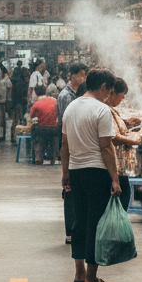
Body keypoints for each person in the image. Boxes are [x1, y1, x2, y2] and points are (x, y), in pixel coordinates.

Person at [61, 66, 122, 282]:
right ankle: (91, 278)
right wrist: (114, 179)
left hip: (76, 171)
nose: (109, 95)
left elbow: (65, 145)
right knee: (95, 223)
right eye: (110, 90)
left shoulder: (71, 107)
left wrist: (65, 173)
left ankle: (79, 273)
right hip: (97, 172)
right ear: (104, 87)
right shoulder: (101, 110)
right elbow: (106, 147)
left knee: (79, 221)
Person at [56, 62, 87, 242]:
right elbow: (69, 125)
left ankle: (74, 230)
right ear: (73, 75)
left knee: (73, 191)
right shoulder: (67, 96)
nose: (83, 78)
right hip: (70, 146)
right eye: (81, 74)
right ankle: (71, 232)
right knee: (70, 191)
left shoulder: (74, 95)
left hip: (72, 147)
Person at [106, 77, 142, 210]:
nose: (122, 100)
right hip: (114, 166)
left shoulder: (110, 109)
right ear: (113, 93)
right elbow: (113, 137)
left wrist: (126, 123)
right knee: (121, 200)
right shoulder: (106, 110)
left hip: (118, 167)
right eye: (121, 96)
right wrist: (135, 141)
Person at [30, 84, 59, 164]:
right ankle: (55, 156)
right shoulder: (54, 100)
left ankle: (37, 156)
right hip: (54, 129)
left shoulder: (36, 104)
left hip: (41, 130)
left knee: (34, 129)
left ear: (36, 93)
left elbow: (32, 117)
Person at [10, 61, 29, 143]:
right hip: (20, 104)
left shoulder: (14, 82)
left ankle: (13, 137)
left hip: (15, 103)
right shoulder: (22, 84)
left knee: (14, 120)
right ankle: (17, 137)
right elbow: (23, 95)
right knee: (19, 120)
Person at [0, 68, 12, 141]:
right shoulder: (8, 81)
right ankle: (3, 135)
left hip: (1, 103)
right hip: (7, 102)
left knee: (1, 121)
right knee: (4, 121)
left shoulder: (2, 82)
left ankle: (2, 136)